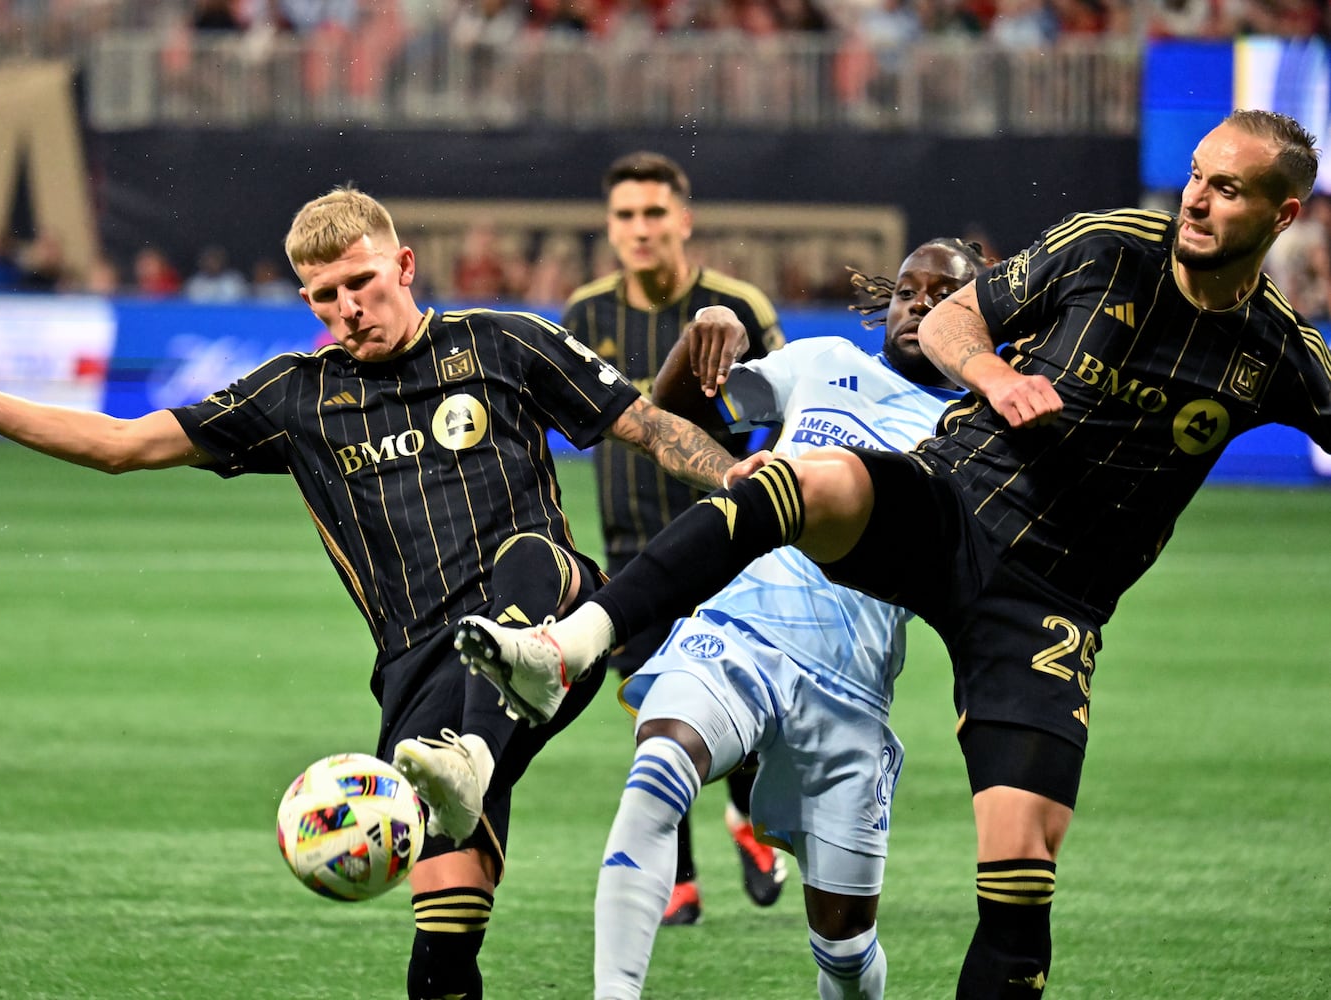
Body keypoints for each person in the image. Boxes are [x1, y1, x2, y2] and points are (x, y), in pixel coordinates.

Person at [456, 110, 1331, 997]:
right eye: (1194, 175)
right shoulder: (1097, 251)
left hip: (1041, 606)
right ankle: (567, 647)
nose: (1196, 200)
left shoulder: (1280, 354)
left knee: (1012, 881)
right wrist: (994, 378)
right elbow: (949, 328)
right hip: (939, 516)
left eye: (1226, 189)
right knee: (805, 486)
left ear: (1283, 214)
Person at [0, 186, 741, 1000]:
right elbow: (122, 445)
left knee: (534, 555)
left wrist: (753, 488)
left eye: (361, 281)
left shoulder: (504, 342)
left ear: (402, 266)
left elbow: (649, 429)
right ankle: (463, 766)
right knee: (443, 947)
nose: (348, 308)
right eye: (325, 296)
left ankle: (479, 739)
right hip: (419, 676)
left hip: (548, 623)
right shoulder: (296, 395)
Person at [592, 238, 986, 1000]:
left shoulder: (975, 432)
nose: (920, 306)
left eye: (946, 297)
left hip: (850, 689)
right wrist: (702, 332)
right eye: (909, 291)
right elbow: (672, 416)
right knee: (657, 772)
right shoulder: (822, 362)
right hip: (739, 630)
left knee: (843, 949)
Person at [563, 149, 789, 924]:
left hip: (731, 545)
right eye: (625, 216)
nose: (640, 229)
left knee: (733, 703)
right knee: (654, 710)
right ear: (610, 227)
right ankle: (679, 876)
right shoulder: (584, 315)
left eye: (655, 213)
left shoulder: (739, 307)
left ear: (683, 220)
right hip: (632, 550)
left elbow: (790, 415)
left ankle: (750, 817)